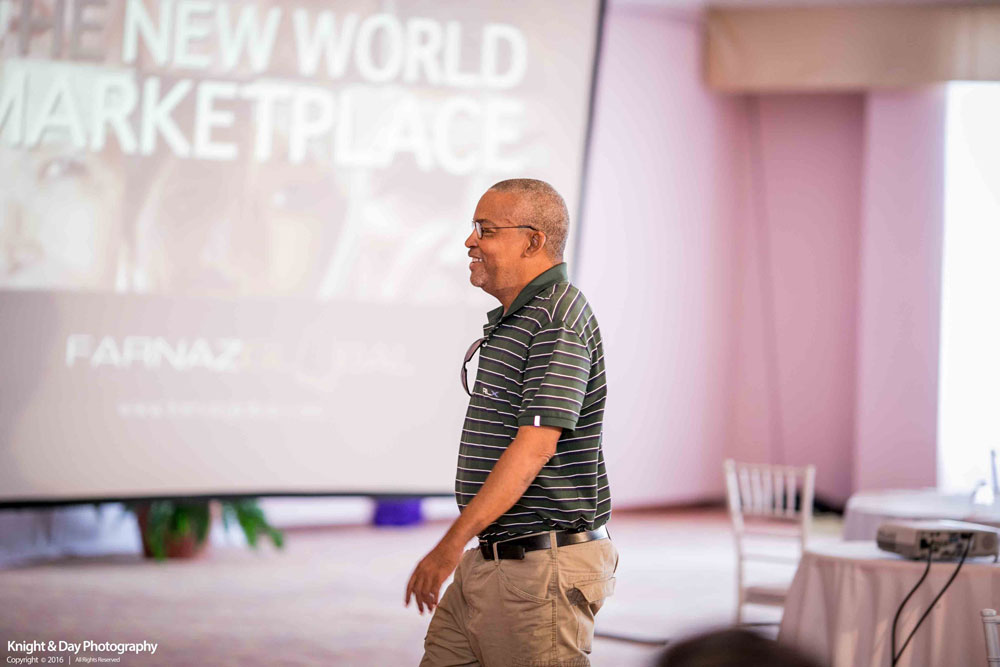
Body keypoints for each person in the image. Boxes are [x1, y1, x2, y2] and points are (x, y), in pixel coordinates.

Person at [405, 178, 615, 666]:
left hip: (539, 567)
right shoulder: (519, 318)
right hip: (493, 557)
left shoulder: (558, 316)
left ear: (533, 241)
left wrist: (449, 546)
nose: (470, 241)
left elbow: (534, 448)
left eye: (486, 229)